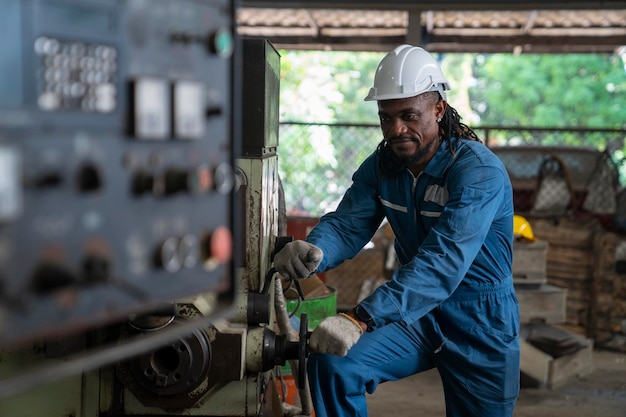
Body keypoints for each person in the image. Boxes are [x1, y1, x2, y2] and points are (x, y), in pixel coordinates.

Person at [274, 44, 519, 417]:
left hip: (480, 319)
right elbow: (348, 222)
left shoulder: (477, 172)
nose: (396, 129)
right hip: (415, 314)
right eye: (386, 117)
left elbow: (443, 263)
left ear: (438, 108)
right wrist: (316, 249)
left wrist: (360, 317)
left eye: (409, 115)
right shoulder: (385, 164)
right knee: (333, 365)